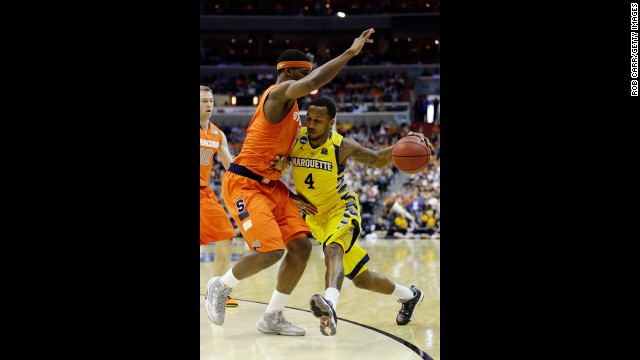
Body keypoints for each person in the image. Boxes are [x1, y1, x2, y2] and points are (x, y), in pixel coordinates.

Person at [204, 28, 377, 336]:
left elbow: (283, 148)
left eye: (309, 72)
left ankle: (272, 316)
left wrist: (286, 174)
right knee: (270, 251)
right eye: (303, 72)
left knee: (300, 247)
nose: (308, 78)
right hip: (245, 183)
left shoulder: (295, 110)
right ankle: (220, 285)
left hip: (271, 185)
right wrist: (350, 53)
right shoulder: (278, 94)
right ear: (288, 72)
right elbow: (313, 83)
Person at [272, 96, 435, 336]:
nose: (311, 124)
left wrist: (404, 143)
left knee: (333, 251)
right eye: (309, 119)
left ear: (331, 123)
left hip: (341, 208)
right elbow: (273, 168)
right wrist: (290, 192)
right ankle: (411, 296)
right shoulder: (295, 140)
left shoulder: (342, 146)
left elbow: (379, 160)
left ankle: (330, 306)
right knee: (362, 279)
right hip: (315, 218)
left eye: (318, 120)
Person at [200, 85, 239, 307]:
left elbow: (232, 168)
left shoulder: (217, 134)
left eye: (211, 101)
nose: (209, 105)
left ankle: (215, 290)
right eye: (204, 101)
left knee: (226, 238)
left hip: (203, 192)